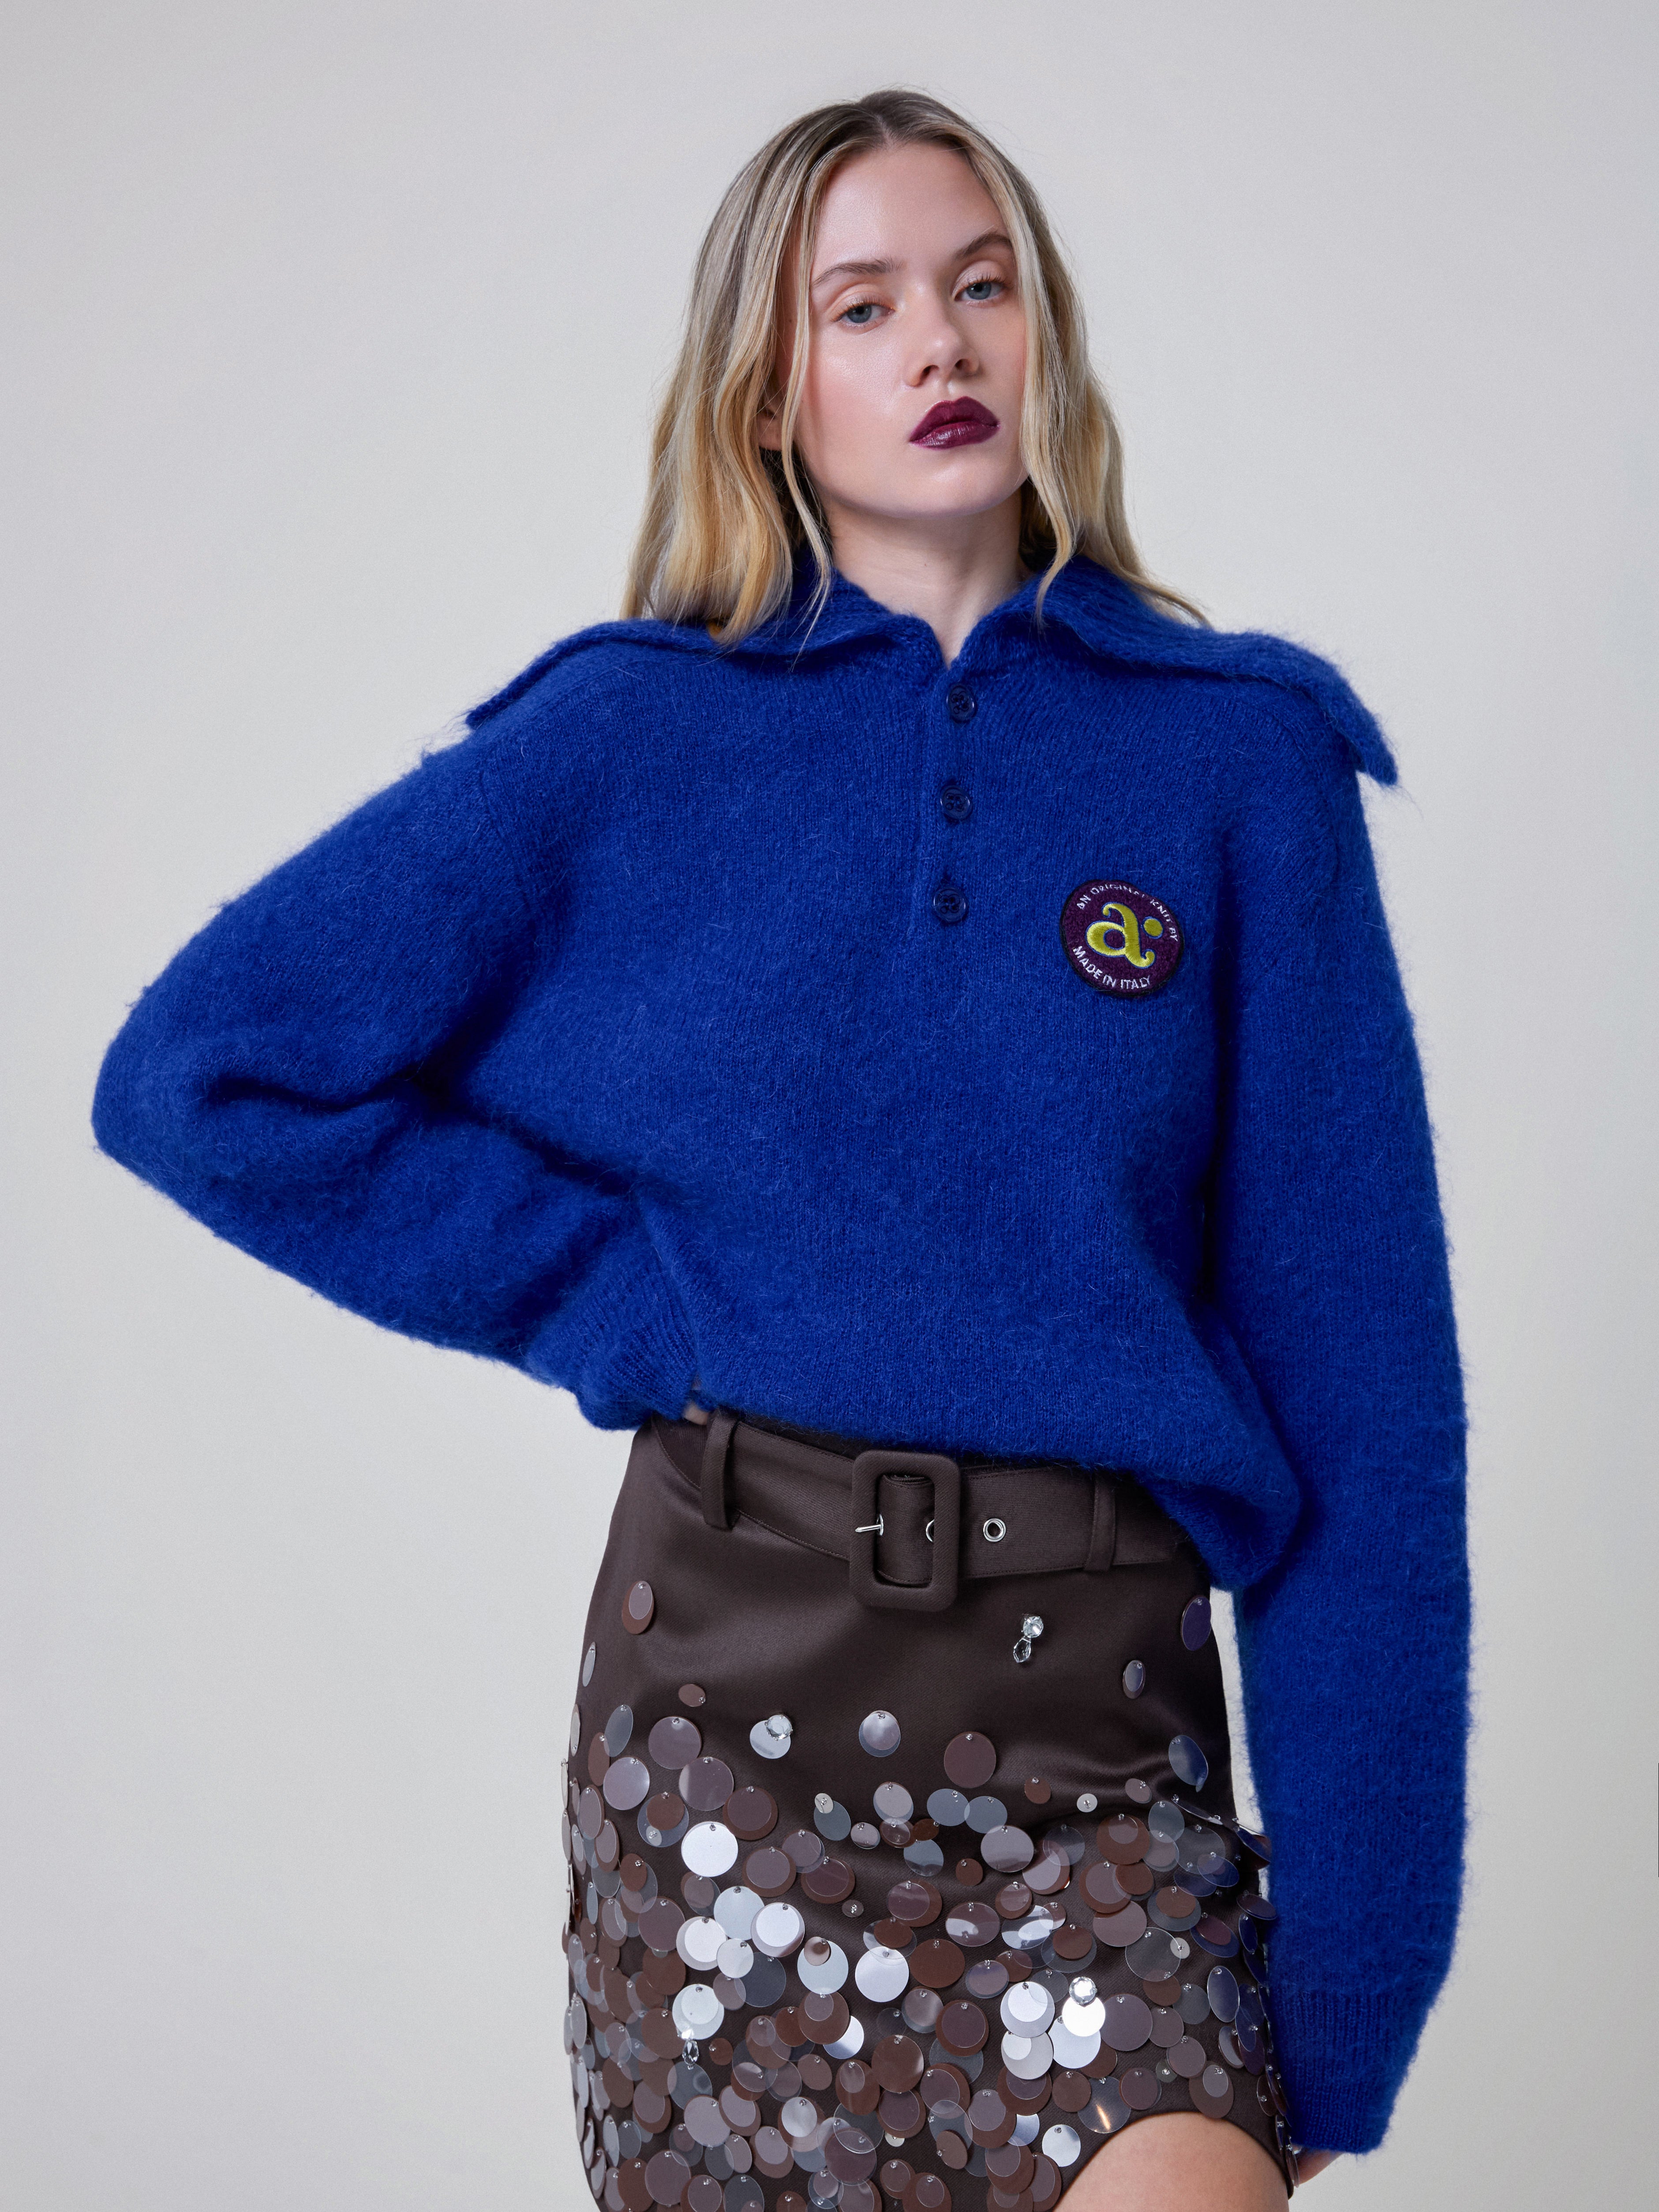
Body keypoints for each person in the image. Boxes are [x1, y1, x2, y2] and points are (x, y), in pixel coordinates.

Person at [91, 89, 1467, 2212]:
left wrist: (1354, 1976)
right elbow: (203, 1070)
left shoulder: (1240, 762)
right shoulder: (628, 735)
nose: (942, 345)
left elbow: (1363, 1396)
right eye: (863, 305)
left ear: (1044, 332)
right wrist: (614, 1299)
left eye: (981, 285)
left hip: (1101, 1749)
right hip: (723, 1738)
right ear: (766, 386)